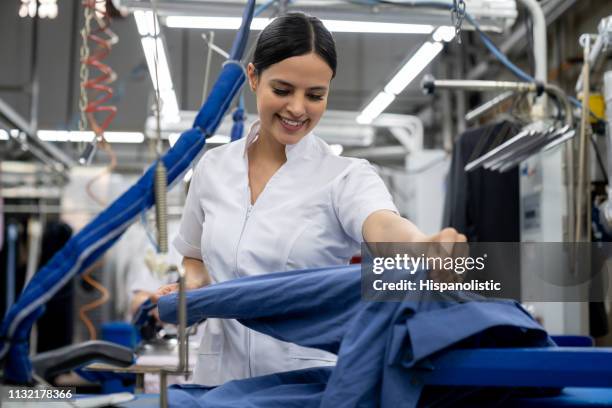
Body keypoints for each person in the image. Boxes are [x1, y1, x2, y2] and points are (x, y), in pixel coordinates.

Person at [152, 12, 465, 386]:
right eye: (282, 90)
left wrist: (421, 247)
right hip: (220, 380)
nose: (298, 108)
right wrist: (189, 289)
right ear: (253, 77)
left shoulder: (344, 177)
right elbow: (196, 258)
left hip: (303, 384)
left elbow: (382, 225)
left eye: (315, 95)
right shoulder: (212, 170)